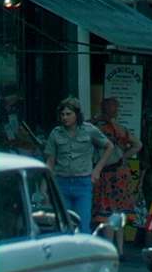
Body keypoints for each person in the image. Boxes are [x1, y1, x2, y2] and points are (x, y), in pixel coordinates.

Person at [44, 97, 116, 234]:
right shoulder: (56, 133)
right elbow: (50, 161)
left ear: (76, 115)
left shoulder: (89, 130)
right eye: (62, 114)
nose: (65, 117)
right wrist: (45, 186)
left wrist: (97, 170)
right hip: (62, 182)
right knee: (64, 225)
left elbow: (109, 146)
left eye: (68, 114)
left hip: (82, 182)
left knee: (83, 225)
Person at [90, 97, 141, 230]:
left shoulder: (94, 128)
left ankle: (107, 243)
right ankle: (119, 246)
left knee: (105, 210)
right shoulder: (121, 129)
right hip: (120, 174)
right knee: (119, 210)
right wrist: (123, 157)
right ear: (116, 112)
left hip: (103, 174)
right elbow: (138, 145)